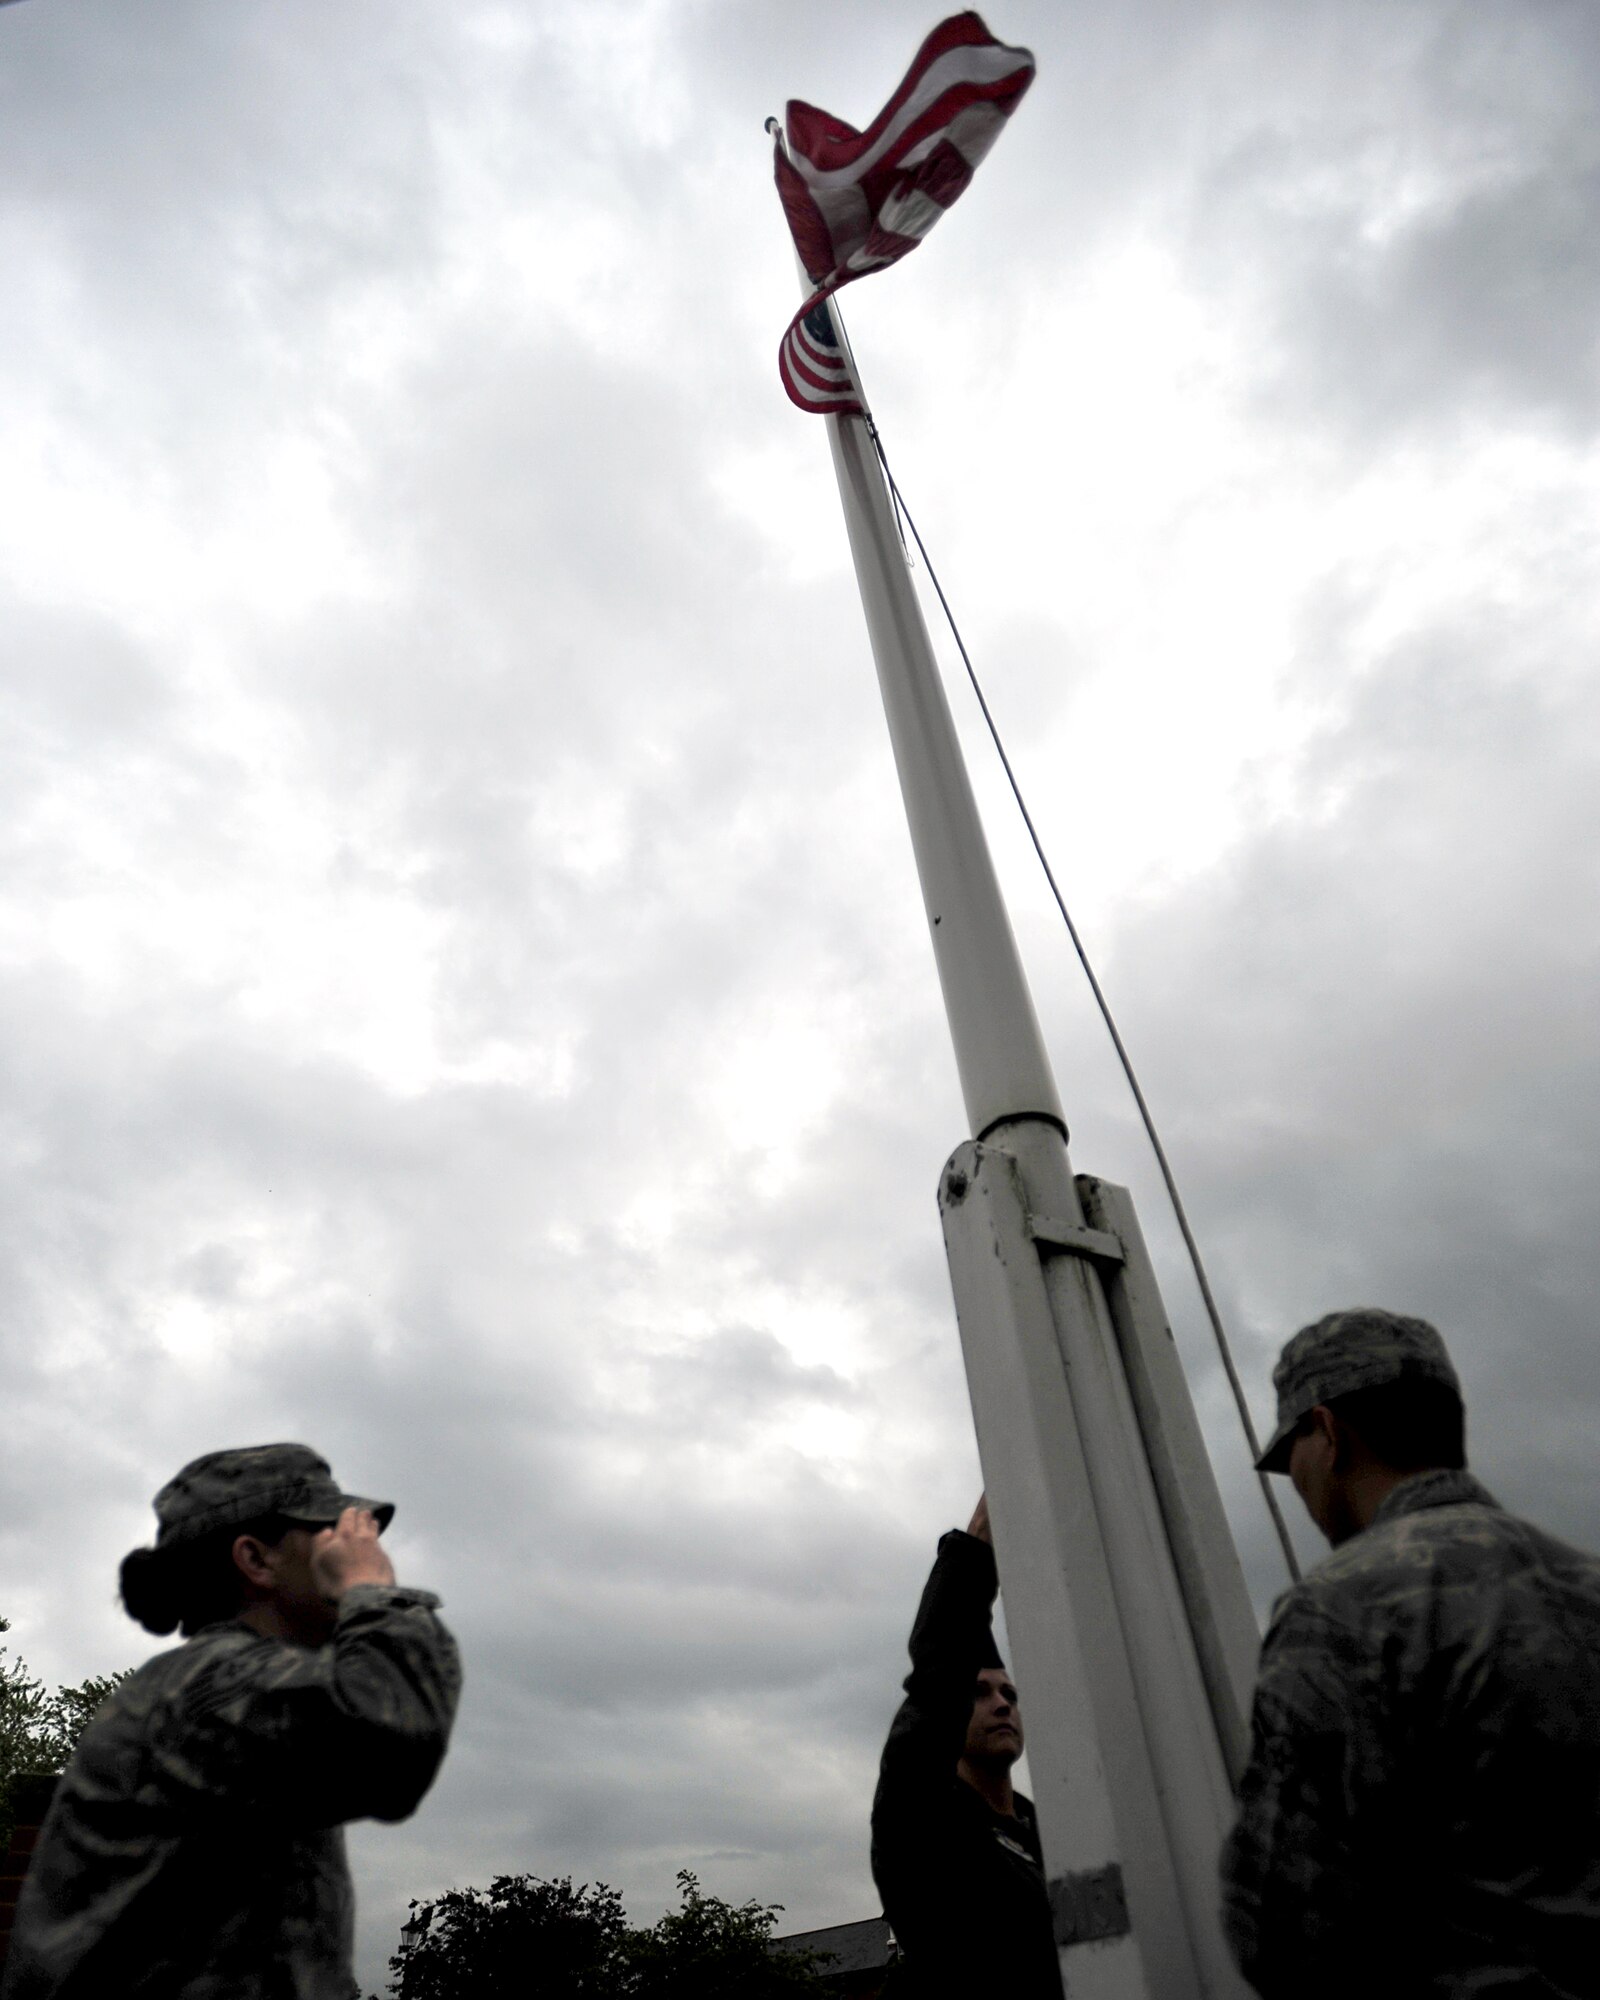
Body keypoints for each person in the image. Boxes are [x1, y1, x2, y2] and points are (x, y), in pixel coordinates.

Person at [1221, 1307, 1600, 1999]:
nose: (1297, 1481)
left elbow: (1280, 1926)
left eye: (1292, 1454)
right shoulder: (1587, 1581)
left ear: (1328, 1433)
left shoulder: (1343, 1608)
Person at [2, 1442, 462, 2000]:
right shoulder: (212, 1686)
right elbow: (394, 1741)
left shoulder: (239, 1686)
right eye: (330, 1533)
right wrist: (374, 1593)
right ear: (256, 1559)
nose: (356, 1547)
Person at [870, 1495, 1060, 1997]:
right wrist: (974, 1555)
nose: (1002, 1704)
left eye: (1010, 1694)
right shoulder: (925, 1823)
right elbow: (938, 1680)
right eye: (979, 1692)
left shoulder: (1053, 1834)